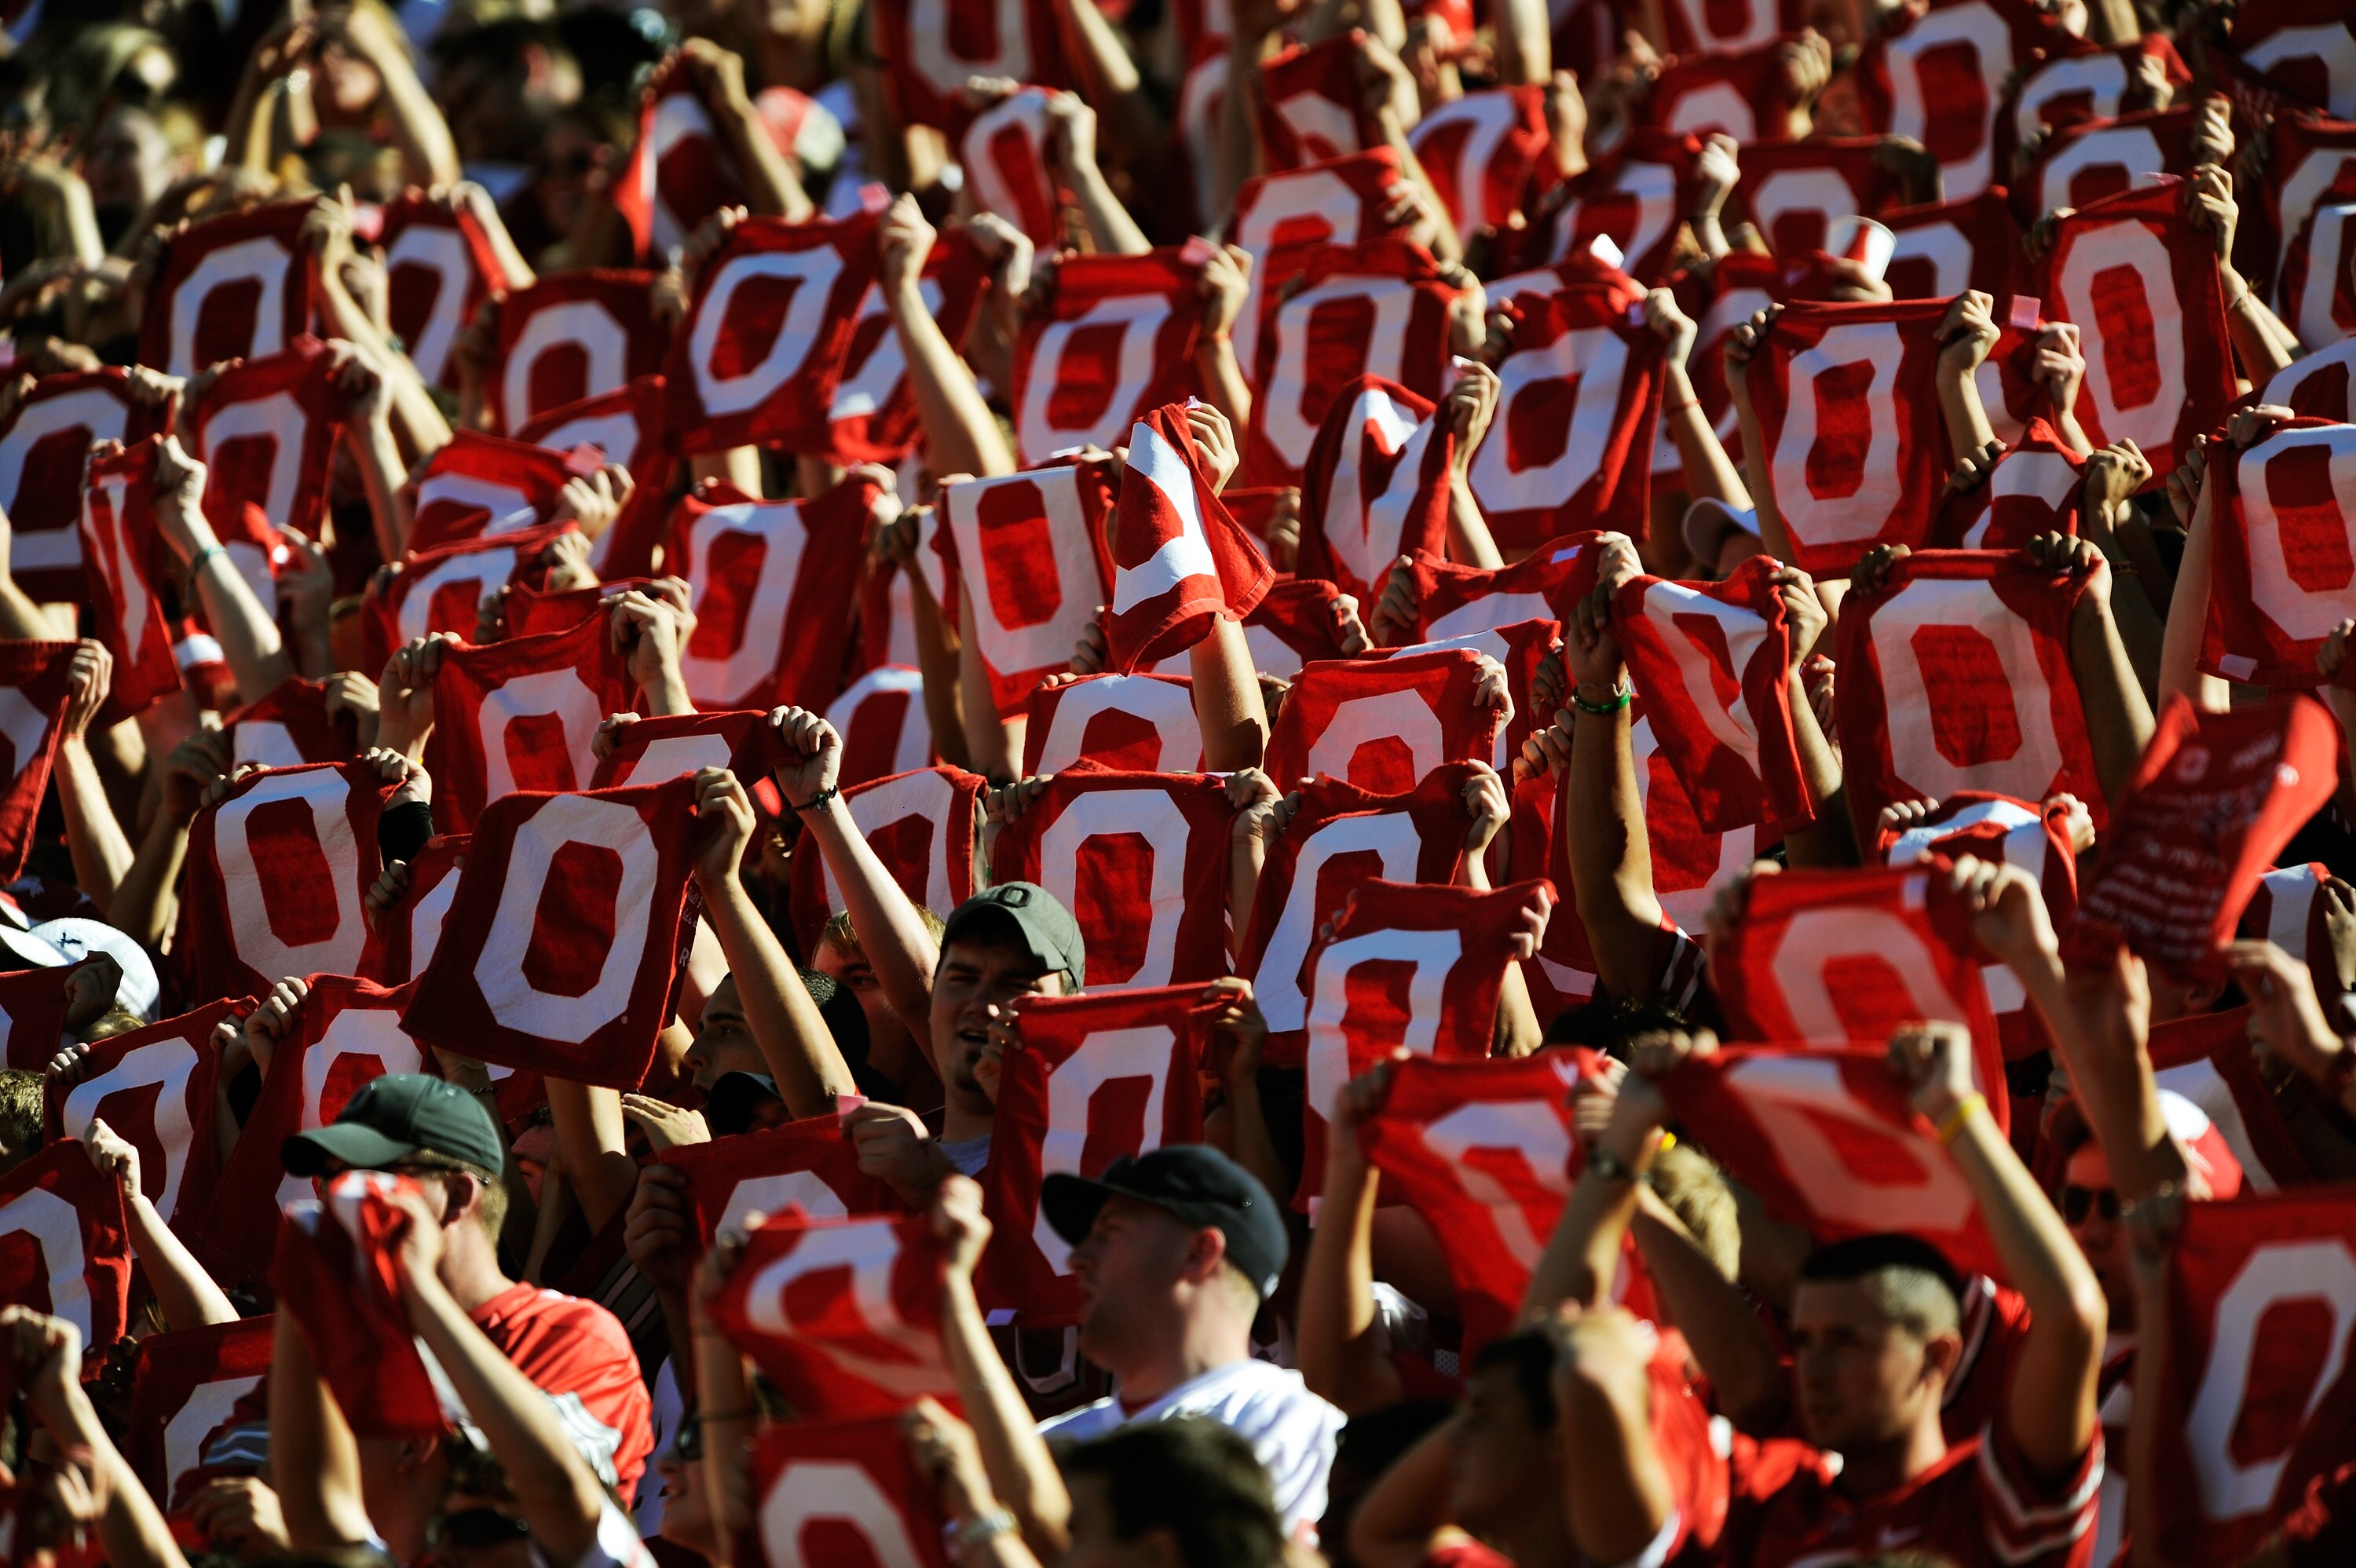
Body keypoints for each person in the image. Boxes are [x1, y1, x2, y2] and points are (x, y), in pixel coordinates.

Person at [278, 1073, 653, 1547]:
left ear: (457, 1196)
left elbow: (561, 1499)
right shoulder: (343, 1341)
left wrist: (417, 1288)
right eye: (332, 1180)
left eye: (373, 1178)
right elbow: (270, 1496)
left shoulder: (571, 1334)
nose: (343, 1198)